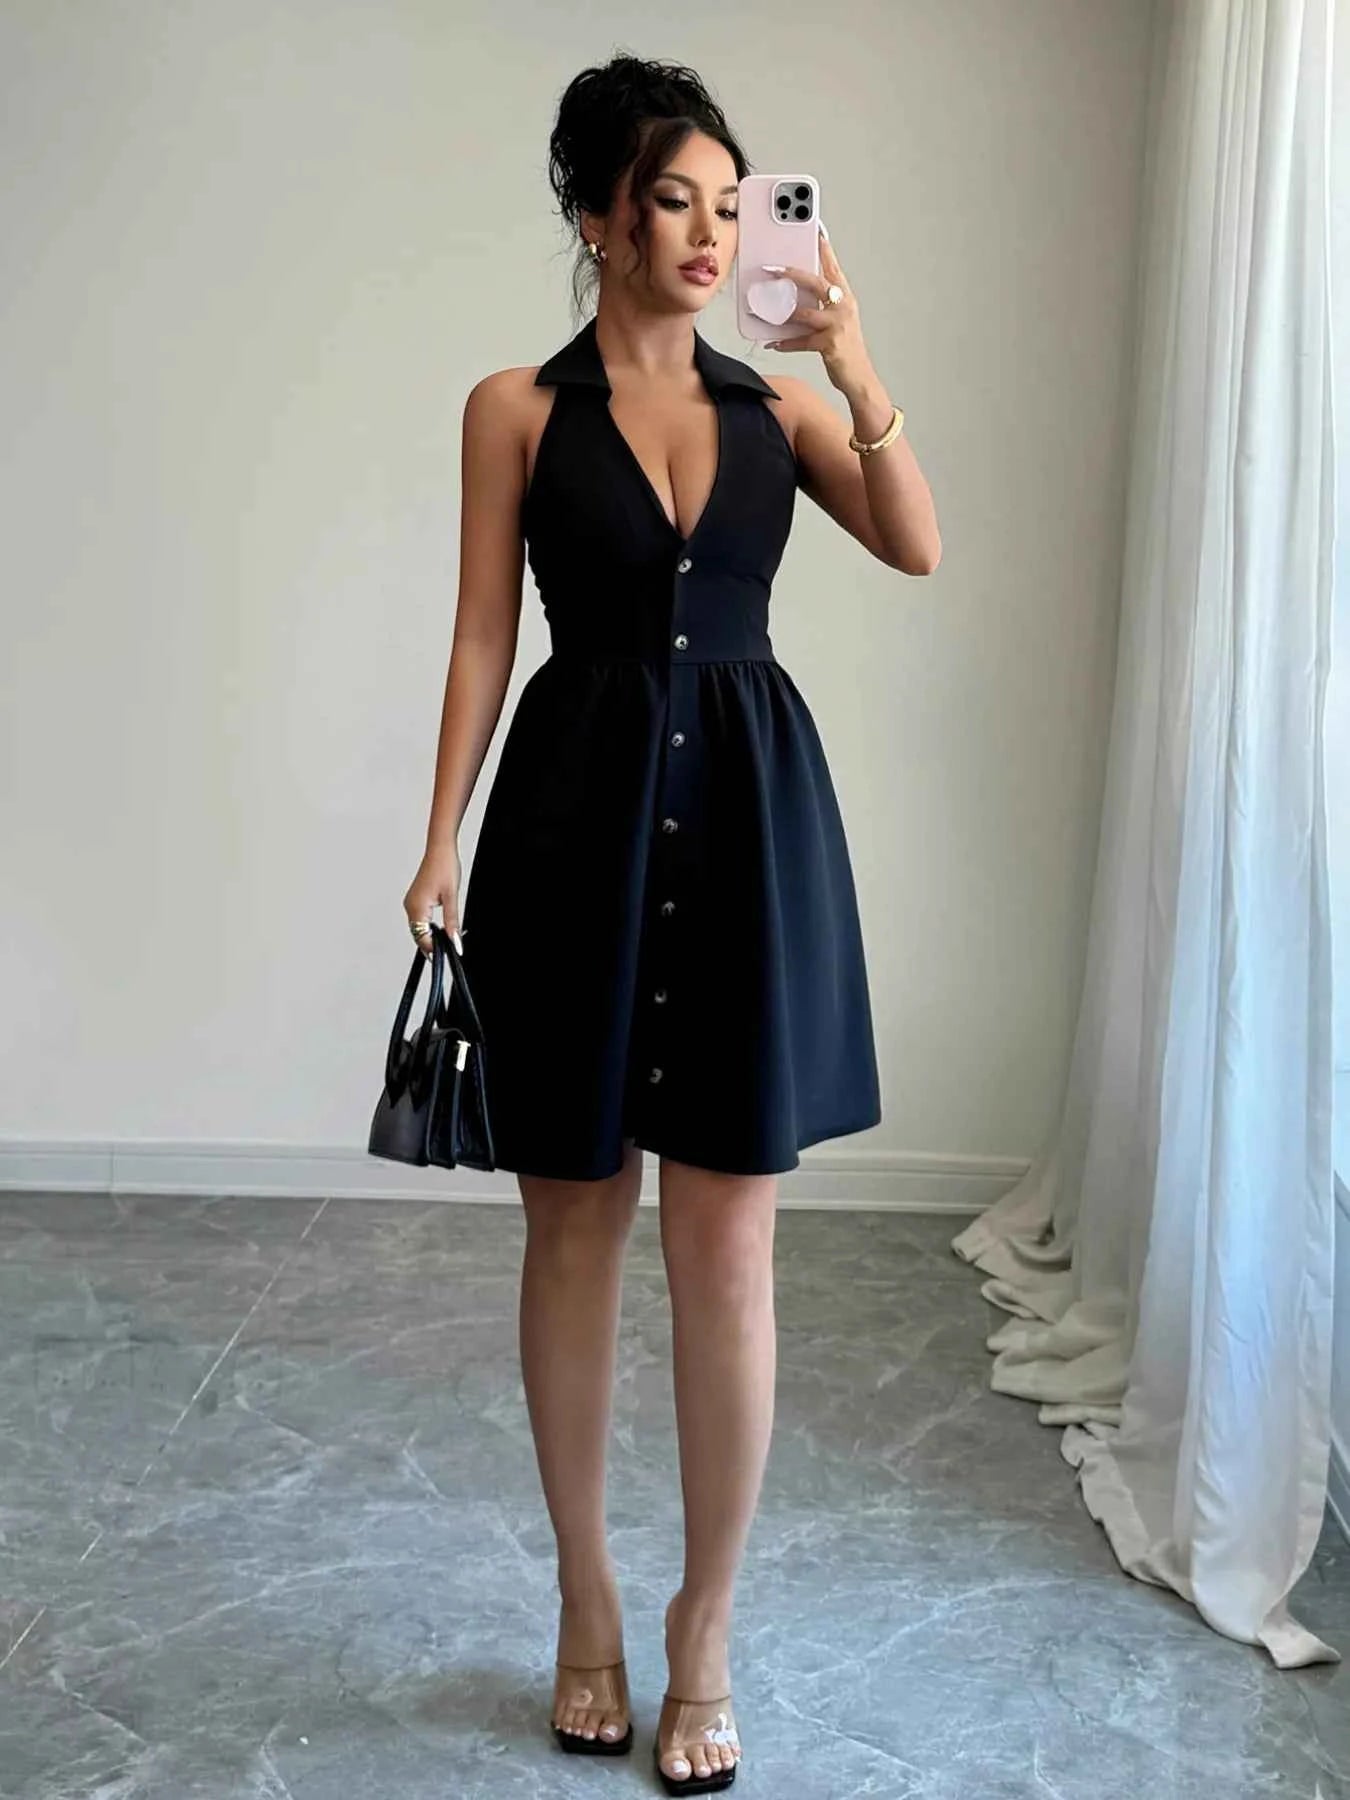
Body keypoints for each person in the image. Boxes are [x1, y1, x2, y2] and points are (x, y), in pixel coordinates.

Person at [401, 51, 941, 1794]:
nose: (711, 234)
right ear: (596, 218)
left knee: (729, 1248)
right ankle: (587, 1604)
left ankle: (705, 1628)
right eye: (672, 202)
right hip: (570, 826)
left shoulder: (773, 408)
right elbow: (483, 632)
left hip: (753, 831)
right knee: (571, 1230)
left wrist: (852, 362)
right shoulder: (512, 408)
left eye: (730, 204)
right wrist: (436, 838)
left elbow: (916, 546)